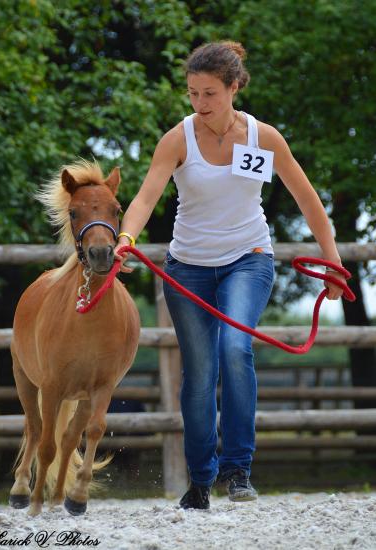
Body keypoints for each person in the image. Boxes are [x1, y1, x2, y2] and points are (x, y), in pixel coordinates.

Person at [114, 41, 345, 509]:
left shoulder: (264, 138)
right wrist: (126, 237)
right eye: (193, 94)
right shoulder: (178, 139)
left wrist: (334, 264)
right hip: (188, 266)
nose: (200, 104)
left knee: (235, 348)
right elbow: (145, 197)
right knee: (198, 374)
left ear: (234, 87)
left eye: (210, 94)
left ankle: (238, 470)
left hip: (248, 256)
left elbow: (308, 201)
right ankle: (201, 480)